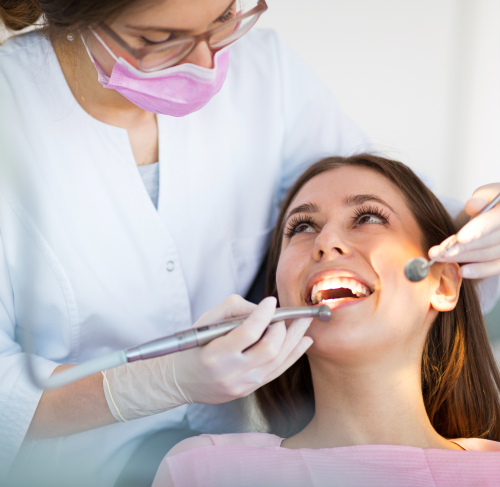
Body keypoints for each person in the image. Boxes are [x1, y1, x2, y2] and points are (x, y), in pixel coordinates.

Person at [0, 0, 499, 485]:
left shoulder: (267, 78)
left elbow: (377, 199)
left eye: (222, 20)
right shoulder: (204, 470)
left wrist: (474, 230)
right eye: (159, 39)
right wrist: (156, 382)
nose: (206, 63)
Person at [154, 154, 500, 487]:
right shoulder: (203, 471)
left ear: (441, 283)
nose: (326, 242)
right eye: (302, 227)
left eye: (367, 218)